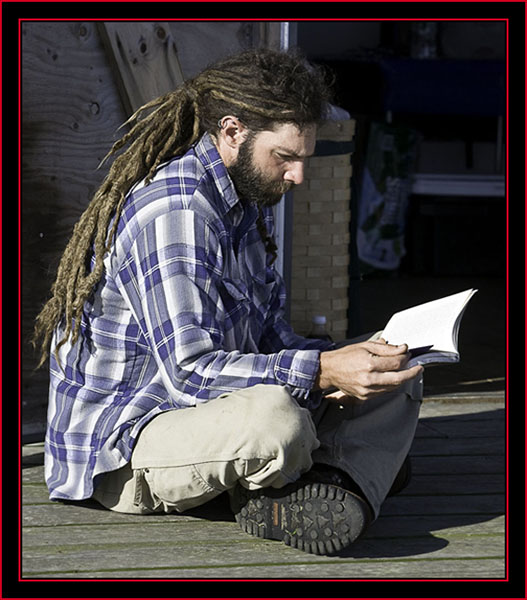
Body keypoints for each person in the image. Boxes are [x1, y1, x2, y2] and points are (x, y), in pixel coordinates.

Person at [33, 48, 423, 556]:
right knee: (276, 420)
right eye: (284, 157)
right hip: (128, 448)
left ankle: (327, 481)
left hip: (208, 412)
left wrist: (354, 359)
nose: (298, 175)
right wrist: (322, 372)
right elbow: (190, 372)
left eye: (304, 157)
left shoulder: (242, 202)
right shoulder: (178, 214)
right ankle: (346, 471)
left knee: (401, 368)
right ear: (233, 131)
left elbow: (274, 342)